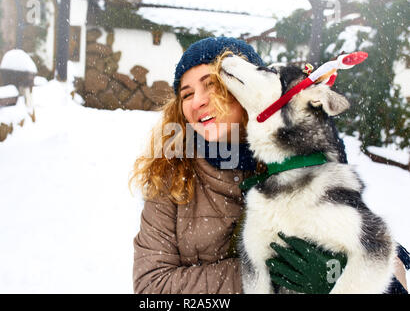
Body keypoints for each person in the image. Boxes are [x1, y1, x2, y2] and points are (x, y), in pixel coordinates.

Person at [129, 37, 408, 294]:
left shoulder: (308, 167)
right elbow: (152, 286)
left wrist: (335, 273)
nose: (198, 101)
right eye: (186, 94)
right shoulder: (172, 175)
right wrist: (268, 270)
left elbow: (382, 265)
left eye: (211, 84)